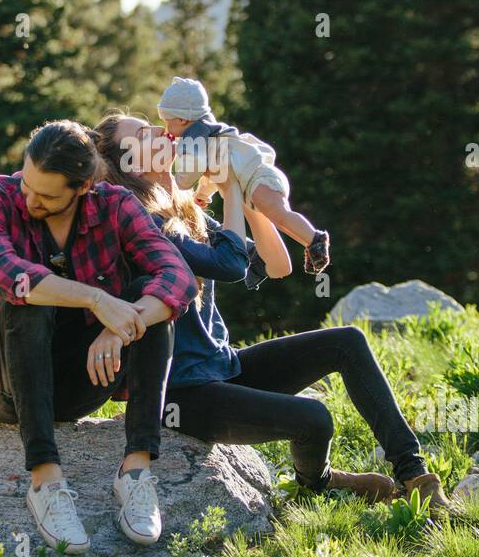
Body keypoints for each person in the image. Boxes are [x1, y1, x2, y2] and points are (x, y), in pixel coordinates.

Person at [93, 112, 452, 514]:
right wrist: (229, 187)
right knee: (314, 418)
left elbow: (274, 264)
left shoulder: (184, 209)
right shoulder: (139, 221)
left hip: (223, 368)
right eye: (144, 136)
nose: (160, 136)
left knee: (347, 342)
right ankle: (318, 484)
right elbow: (229, 265)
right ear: (124, 162)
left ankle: (416, 476)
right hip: (182, 394)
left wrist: (250, 195)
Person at [0, 119, 198, 554]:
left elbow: (178, 277)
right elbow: (9, 275)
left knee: (151, 302)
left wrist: (118, 329)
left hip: (83, 382)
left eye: (46, 196)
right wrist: (99, 302)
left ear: (82, 188)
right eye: (27, 185)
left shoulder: (114, 205)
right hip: (6, 381)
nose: (30, 199)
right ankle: (45, 479)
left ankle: (135, 472)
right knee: (30, 300)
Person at [156, 75, 330, 276]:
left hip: (259, 177)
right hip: (252, 183)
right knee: (278, 218)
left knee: (279, 213)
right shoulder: (207, 132)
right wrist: (204, 193)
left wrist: (179, 182)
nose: (167, 130)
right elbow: (215, 172)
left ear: (183, 119)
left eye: (168, 123)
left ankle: (315, 239)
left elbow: (193, 169)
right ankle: (311, 245)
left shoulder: (195, 136)